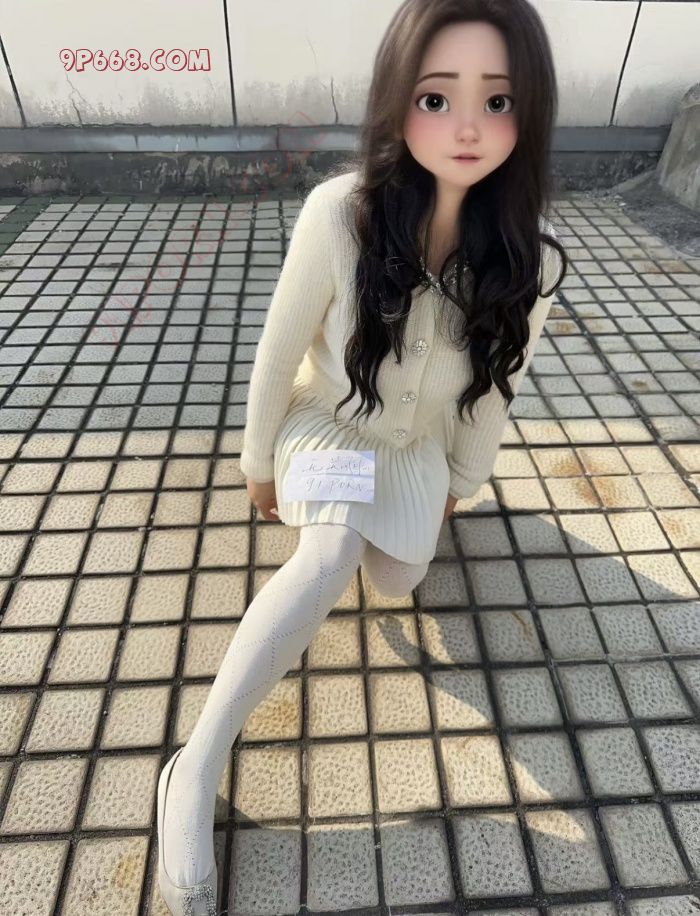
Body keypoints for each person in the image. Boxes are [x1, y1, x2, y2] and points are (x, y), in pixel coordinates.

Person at [156, 0, 568, 911]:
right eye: (437, 97)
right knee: (331, 552)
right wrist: (258, 463)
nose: (467, 126)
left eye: (498, 101)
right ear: (397, 99)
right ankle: (196, 761)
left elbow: (495, 389)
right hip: (331, 423)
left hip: (415, 450)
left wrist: (461, 484)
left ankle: (367, 531)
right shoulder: (340, 214)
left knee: (397, 578)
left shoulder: (530, 260)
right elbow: (278, 350)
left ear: (529, 113)